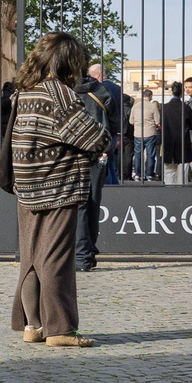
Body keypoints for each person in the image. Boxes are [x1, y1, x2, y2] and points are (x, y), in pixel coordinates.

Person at [8, 31, 111, 348]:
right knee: (56, 259)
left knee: (31, 258)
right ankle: (61, 330)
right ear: (70, 63)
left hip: (26, 184)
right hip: (59, 184)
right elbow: (96, 138)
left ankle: (34, 325)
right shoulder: (61, 96)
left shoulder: (25, 93)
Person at [77, 60, 124, 272]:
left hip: (72, 153)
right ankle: (88, 253)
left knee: (76, 205)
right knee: (93, 202)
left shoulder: (65, 91)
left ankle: (78, 253)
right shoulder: (100, 90)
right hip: (98, 153)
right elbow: (116, 123)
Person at [160, 80, 192, 184]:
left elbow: (161, 123)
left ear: (171, 92)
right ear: (181, 93)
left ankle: (169, 192)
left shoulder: (164, 108)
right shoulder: (185, 107)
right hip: (183, 141)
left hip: (168, 141)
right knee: (183, 167)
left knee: (169, 171)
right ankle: (182, 189)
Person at [132, 85, 162, 181]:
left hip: (138, 133)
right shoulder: (153, 106)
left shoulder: (135, 106)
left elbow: (131, 121)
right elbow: (157, 121)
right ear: (151, 96)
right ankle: (149, 174)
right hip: (150, 132)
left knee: (138, 154)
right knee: (150, 154)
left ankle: (137, 174)